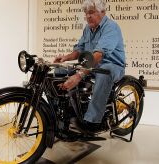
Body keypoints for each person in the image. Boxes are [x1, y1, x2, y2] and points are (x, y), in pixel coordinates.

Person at [53, 0, 125, 132]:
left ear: (102, 12)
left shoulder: (111, 27)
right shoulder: (88, 29)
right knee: (59, 71)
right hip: (92, 65)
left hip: (112, 66)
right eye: (86, 13)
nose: (87, 16)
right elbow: (79, 49)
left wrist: (80, 75)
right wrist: (65, 58)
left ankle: (92, 121)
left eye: (91, 12)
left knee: (104, 72)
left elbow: (98, 55)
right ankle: (67, 112)